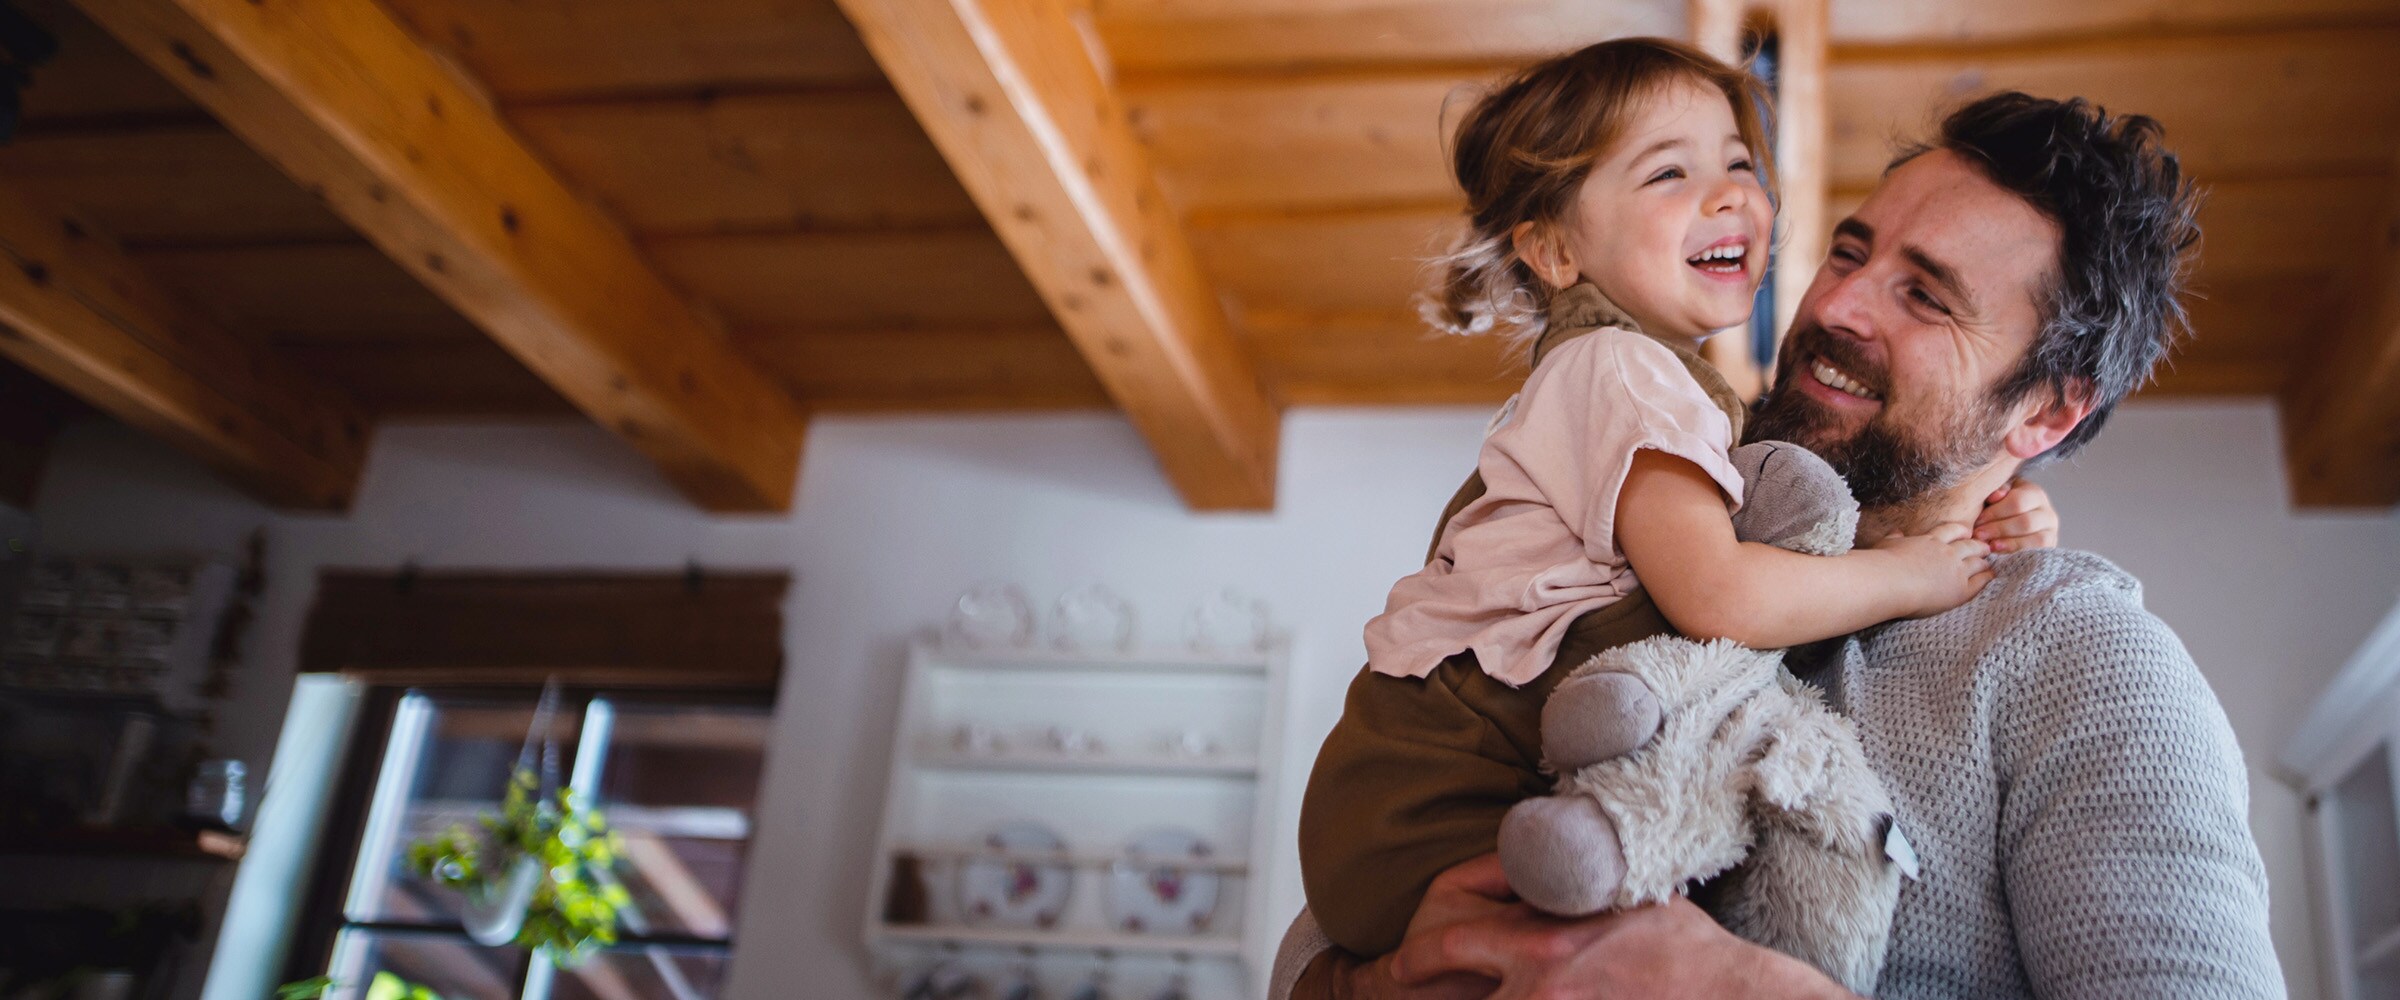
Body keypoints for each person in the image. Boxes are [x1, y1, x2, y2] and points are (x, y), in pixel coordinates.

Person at [1274, 89, 2282, 1000]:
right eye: (1850, 253)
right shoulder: (1643, 505)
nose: (1834, 305)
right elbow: (1318, 934)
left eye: (1926, 296)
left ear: (2047, 414)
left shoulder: (2087, 662)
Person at [1300, 36, 2046, 966]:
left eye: (1738, 162)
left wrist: (1992, 521)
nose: (1731, 192)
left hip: (1399, 804)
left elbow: (1779, 546)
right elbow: (1723, 597)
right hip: (1437, 794)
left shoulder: (1652, 387)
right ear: (1554, 248)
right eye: (1668, 173)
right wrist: (1908, 575)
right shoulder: (1623, 371)